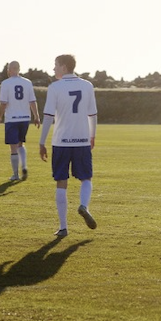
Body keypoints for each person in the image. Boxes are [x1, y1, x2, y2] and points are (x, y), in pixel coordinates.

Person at [38, 54, 98, 237]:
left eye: (55, 65)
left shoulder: (55, 87)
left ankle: (63, 227)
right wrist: (92, 135)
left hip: (61, 142)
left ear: (64, 67)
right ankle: (83, 205)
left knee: (61, 182)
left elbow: (48, 116)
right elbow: (93, 114)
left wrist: (42, 142)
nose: (53, 69)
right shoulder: (87, 85)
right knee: (86, 178)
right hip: (82, 140)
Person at [0, 61, 40, 181]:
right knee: (21, 144)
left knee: (13, 147)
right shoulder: (27, 82)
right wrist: (36, 116)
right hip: (25, 118)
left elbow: (3, 103)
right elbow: (32, 101)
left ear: (9, 70)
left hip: (12, 119)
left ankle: (15, 174)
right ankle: (24, 166)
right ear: (19, 69)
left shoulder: (5, 83)